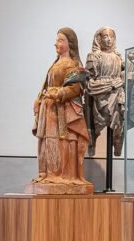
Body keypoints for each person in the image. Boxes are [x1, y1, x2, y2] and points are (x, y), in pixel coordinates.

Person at [28, 28, 93, 194]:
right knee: (46, 141)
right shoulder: (55, 63)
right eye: (57, 40)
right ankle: (48, 173)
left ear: (70, 44)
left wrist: (58, 93)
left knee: (59, 140)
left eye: (60, 40)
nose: (56, 43)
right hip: (49, 109)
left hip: (61, 111)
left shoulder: (71, 64)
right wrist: (38, 98)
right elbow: (46, 86)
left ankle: (60, 174)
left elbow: (75, 88)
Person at [84, 26, 134, 157]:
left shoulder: (118, 57)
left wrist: (130, 67)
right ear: (98, 39)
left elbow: (127, 72)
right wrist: (108, 84)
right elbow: (88, 79)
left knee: (117, 123)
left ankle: (117, 146)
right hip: (100, 94)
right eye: (105, 36)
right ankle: (93, 143)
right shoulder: (94, 56)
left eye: (111, 37)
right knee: (100, 121)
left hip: (116, 93)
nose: (109, 39)